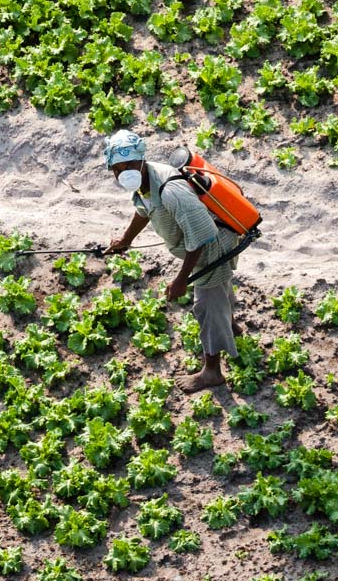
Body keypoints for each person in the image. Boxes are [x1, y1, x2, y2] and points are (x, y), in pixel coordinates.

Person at [100, 129, 240, 391]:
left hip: (213, 247)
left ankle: (212, 371)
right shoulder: (145, 182)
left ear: (141, 159)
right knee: (220, 290)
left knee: (207, 304)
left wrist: (181, 280)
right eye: (117, 169)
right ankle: (231, 325)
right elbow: (144, 210)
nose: (123, 172)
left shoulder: (170, 190)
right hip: (203, 244)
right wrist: (125, 240)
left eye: (128, 165)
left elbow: (202, 236)